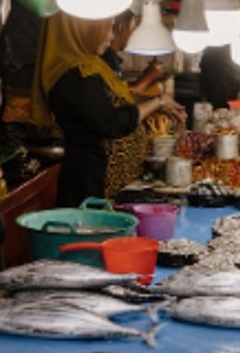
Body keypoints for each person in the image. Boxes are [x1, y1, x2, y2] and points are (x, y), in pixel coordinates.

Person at [31, 13, 187, 207]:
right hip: (91, 187)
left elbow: (120, 101)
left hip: (108, 185)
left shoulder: (93, 66)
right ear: (82, 28)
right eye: (106, 28)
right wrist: (158, 102)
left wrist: (159, 103)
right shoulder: (75, 75)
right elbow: (110, 123)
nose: (110, 37)